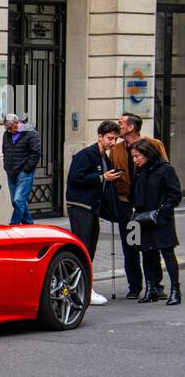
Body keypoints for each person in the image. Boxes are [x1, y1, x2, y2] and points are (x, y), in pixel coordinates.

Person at [109, 112, 169, 300]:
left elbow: (164, 170)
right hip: (126, 204)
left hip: (148, 206)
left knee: (150, 246)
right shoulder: (117, 149)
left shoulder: (153, 144)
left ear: (131, 127)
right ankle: (134, 285)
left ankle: (155, 285)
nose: (117, 126)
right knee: (131, 246)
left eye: (120, 123)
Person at [65, 120, 122, 305]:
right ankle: (81, 287)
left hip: (92, 207)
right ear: (99, 136)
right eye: (109, 139)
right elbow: (75, 178)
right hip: (81, 206)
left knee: (90, 247)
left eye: (114, 139)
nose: (112, 143)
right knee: (84, 247)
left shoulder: (103, 157)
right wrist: (101, 177)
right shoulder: (86, 155)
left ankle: (83, 285)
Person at [128, 139, 181, 305]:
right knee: (146, 253)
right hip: (143, 218)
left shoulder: (166, 169)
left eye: (137, 156)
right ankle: (150, 289)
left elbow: (175, 194)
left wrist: (163, 211)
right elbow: (133, 194)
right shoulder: (139, 172)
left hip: (161, 219)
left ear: (147, 153)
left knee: (167, 253)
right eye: (133, 156)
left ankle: (175, 290)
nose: (135, 160)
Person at [0, 113, 41, 225]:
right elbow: (4, 150)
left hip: (24, 173)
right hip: (11, 172)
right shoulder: (6, 134)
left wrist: (27, 169)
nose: (8, 130)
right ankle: (30, 227)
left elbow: (36, 153)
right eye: (6, 128)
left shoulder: (31, 133)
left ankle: (12, 226)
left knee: (19, 200)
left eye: (10, 128)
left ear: (17, 123)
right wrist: (6, 165)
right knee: (16, 202)